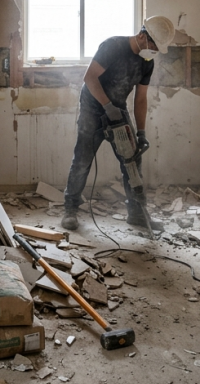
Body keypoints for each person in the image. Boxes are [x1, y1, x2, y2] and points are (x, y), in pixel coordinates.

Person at [60, 15, 176, 232]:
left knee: (132, 161)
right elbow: (90, 78)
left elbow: (140, 98)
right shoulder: (112, 46)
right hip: (92, 109)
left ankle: (137, 214)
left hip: (118, 110)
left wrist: (141, 132)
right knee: (82, 161)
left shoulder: (146, 62)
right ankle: (70, 209)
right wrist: (106, 106)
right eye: (154, 46)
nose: (155, 52)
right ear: (142, 36)